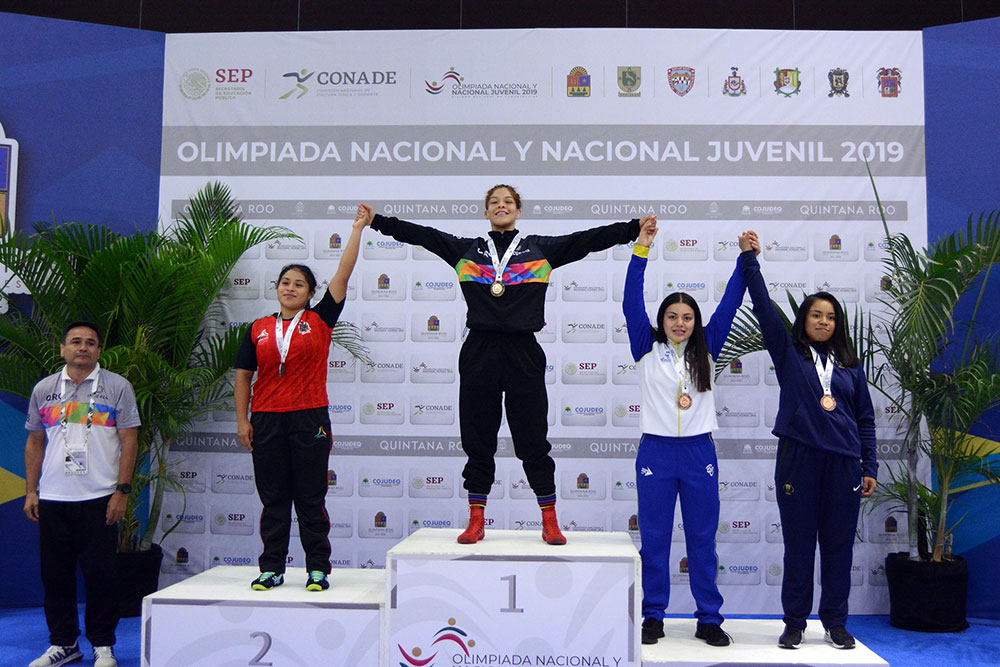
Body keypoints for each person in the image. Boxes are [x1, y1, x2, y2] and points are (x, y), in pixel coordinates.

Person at [357, 185, 643, 545]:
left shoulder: (540, 250)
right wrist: (377, 221)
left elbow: (587, 240)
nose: (501, 206)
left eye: (508, 201)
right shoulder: (467, 251)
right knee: (477, 439)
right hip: (479, 352)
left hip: (523, 352)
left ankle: (549, 520)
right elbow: (423, 235)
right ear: (486, 212)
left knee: (532, 440)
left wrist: (632, 228)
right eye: (494, 202)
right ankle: (476, 520)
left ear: (518, 211)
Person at [741, 232, 877, 650]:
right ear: (804, 320)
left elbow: (865, 420)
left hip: (843, 465)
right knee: (798, 548)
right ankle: (795, 623)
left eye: (830, 317)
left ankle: (835, 622)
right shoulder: (788, 353)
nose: (823, 322)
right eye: (816, 315)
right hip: (798, 460)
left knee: (838, 549)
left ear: (837, 324)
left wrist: (869, 466)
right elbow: (763, 308)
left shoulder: (851, 366)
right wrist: (750, 260)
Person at [625, 219, 757, 647]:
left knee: (702, 539)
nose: (679, 323)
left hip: (699, 452)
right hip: (656, 453)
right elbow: (630, 299)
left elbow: (731, 303)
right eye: (672, 316)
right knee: (655, 540)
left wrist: (745, 259)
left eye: (687, 317)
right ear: (661, 321)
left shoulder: (708, 346)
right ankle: (652, 615)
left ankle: (709, 618)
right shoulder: (645, 347)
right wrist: (641, 250)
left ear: (696, 322)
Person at [234, 212, 365, 591]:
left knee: (310, 498)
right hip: (266, 420)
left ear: (310, 293)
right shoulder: (257, 328)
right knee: (274, 499)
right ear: (277, 288)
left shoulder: (321, 320)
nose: (290, 288)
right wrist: (242, 420)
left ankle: (318, 569)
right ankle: (272, 568)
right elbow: (243, 376)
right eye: (285, 282)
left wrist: (357, 229)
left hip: (310, 419)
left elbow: (343, 273)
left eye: (299, 284)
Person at [24, 322, 141, 667]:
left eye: (91, 343)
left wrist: (121, 492)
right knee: (55, 576)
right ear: (62, 349)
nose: (83, 347)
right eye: (75, 342)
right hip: (54, 499)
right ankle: (64, 644)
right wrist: (31, 491)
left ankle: (103, 645)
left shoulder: (117, 387)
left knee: (101, 577)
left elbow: (130, 441)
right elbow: (35, 441)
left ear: (99, 351)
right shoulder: (44, 389)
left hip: (99, 499)